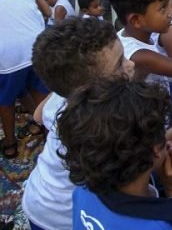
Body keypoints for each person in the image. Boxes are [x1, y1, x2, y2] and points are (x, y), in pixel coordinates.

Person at [56, 78, 172, 230]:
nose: (169, 141)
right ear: (155, 150)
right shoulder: (161, 224)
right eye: (163, 133)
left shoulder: (83, 189)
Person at [22, 18, 135, 230]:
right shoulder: (101, 125)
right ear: (86, 90)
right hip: (61, 217)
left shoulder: (67, 93)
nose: (131, 65)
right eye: (120, 63)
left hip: (38, 197)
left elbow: (38, 115)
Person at [0, 0, 48, 160]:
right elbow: (47, 12)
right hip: (36, 51)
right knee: (41, 95)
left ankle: (9, 143)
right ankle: (49, 131)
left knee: (5, 102)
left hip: (6, 58)